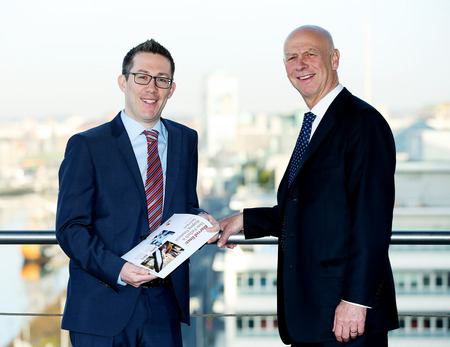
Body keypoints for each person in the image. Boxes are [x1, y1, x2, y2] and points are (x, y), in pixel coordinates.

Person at [214, 25, 399, 346]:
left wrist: (356, 302)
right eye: (291, 58)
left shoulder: (362, 123)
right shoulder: (314, 123)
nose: (300, 64)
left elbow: (373, 221)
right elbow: (309, 208)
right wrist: (244, 221)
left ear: (335, 59)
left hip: (345, 318)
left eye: (310, 54)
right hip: (313, 316)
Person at [56, 39, 219, 346]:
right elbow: (70, 228)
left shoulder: (186, 140)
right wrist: (120, 270)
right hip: (101, 307)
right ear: (124, 82)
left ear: (172, 89)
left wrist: (201, 221)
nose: (152, 88)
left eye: (162, 80)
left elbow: (183, 207)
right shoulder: (87, 145)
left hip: (164, 307)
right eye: (142, 76)